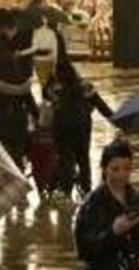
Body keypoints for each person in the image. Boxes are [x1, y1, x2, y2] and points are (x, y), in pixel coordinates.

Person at [74, 140, 139, 270]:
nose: (121, 175)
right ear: (104, 168)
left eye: (127, 168)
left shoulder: (136, 198)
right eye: (115, 169)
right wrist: (113, 232)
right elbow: (84, 250)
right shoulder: (92, 203)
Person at [46, 60, 115, 197]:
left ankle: (66, 192)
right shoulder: (85, 86)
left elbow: (46, 98)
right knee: (83, 159)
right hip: (82, 129)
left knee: (65, 160)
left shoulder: (54, 88)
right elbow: (100, 105)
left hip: (62, 130)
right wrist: (116, 119)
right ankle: (86, 190)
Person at [0, 12, 37, 171]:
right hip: (13, 117)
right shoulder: (10, 58)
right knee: (15, 158)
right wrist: (36, 114)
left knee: (2, 158)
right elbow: (24, 90)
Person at [31, 17, 59, 87]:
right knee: (46, 79)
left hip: (38, 59)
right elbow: (55, 50)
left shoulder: (36, 32)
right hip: (48, 59)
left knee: (41, 79)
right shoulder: (54, 34)